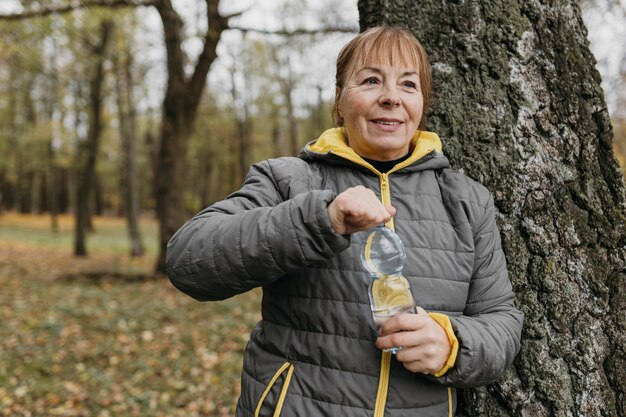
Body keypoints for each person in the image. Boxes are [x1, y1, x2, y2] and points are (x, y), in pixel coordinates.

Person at [166, 26, 523, 417]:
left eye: (408, 84)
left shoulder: (467, 200)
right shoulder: (289, 180)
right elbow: (190, 261)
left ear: (422, 102)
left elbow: (501, 319)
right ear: (339, 99)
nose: (391, 97)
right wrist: (321, 221)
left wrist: (454, 344)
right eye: (371, 80)